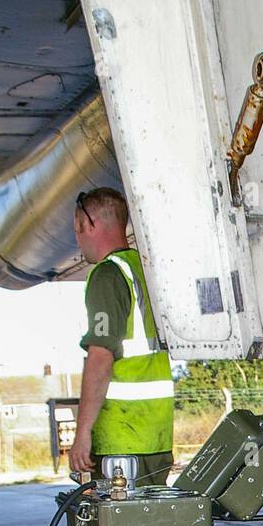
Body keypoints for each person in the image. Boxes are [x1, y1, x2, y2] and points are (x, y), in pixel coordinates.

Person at [68, 187, 174, 486]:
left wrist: (82, 433)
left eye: (77, 229)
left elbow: (100, 357)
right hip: (155, 434)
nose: (78, 238)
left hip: (121, 438)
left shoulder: (108, 275)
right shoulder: (145, 270)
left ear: (89, 225)